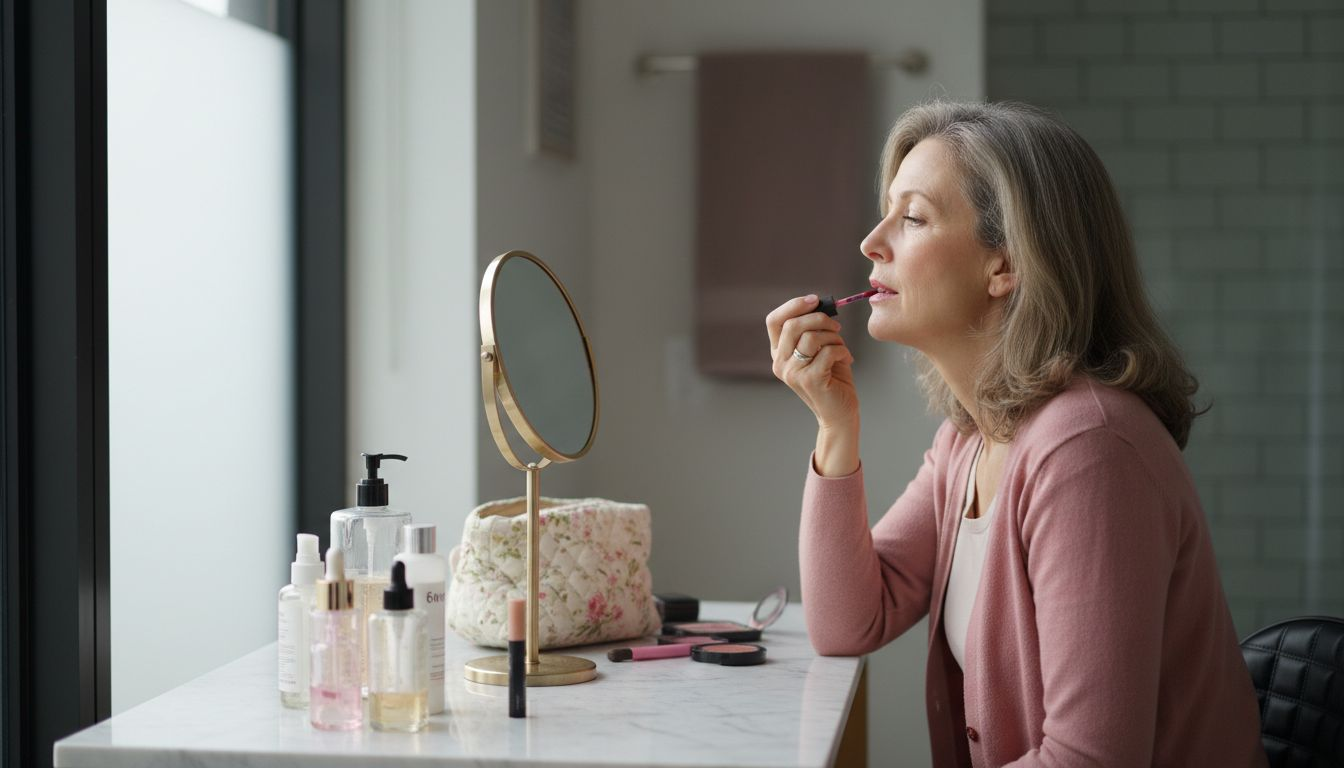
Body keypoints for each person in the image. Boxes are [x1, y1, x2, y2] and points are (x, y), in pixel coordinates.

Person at [766, 101, 1267, 768]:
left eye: (912, 217)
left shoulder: (1089, 449)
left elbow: (1092, 760)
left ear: (1005, 265)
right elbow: (848, 622)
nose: (871, 241)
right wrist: (836, 426)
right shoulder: (969, 440)